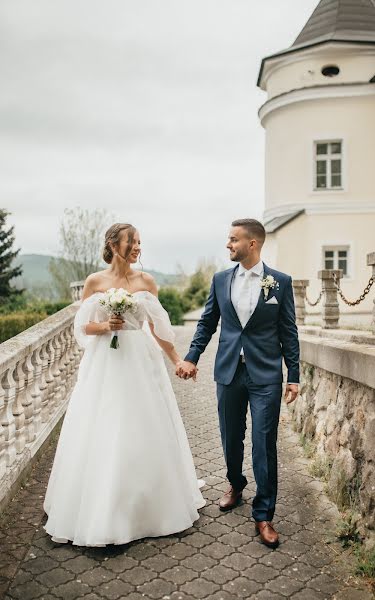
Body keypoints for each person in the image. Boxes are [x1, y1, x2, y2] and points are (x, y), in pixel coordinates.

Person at [44, 223, 205, 546]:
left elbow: (158, 329)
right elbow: (82, 327)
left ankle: (150, 506)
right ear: (113, 244)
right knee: (104, 426)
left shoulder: (146, 282)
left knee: (144, 426)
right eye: (132, 241)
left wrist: (176, 360)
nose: (137, 247)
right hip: (106, 362)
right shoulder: (95, 281)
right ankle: (103, 509)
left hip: (141, 362)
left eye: (140, 242)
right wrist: (105, 325)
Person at [177, 218, 299, 548]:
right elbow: (207, 323)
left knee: (263, 442)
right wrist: (191, 356)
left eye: (233, 240)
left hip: (266, 375)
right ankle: (235, 483)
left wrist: (294, 376)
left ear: (252, 244)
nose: (228, 245)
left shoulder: (279, 283)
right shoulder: (220, 280)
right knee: (231, 437)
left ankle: (264, 514)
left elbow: (289, 331)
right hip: (230, 370)